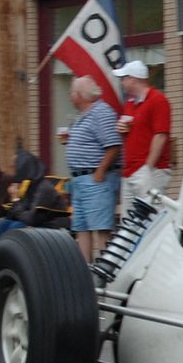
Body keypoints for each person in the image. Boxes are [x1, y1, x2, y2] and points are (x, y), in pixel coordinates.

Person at [63, 76, 122, 262]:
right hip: (80, 180)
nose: (70, 97)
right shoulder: (83, 115)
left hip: (94, 179)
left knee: (101, 227)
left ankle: (106, 270)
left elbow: (113, 145)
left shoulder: (101, 112)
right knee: (81, 227)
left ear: (80, 95)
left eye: (72, 92)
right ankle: (85, 271)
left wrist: (100, 172)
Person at [113, 60, 172, 212]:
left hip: (149, 169)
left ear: (133, 79)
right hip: (130, 170)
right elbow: (135, 131)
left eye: (124, 78)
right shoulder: (130, 103)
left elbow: (161, 135)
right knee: (129, 220)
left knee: (151, 216)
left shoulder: (158, 100)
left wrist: (148, 167)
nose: (122, 82)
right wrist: (122, 129)